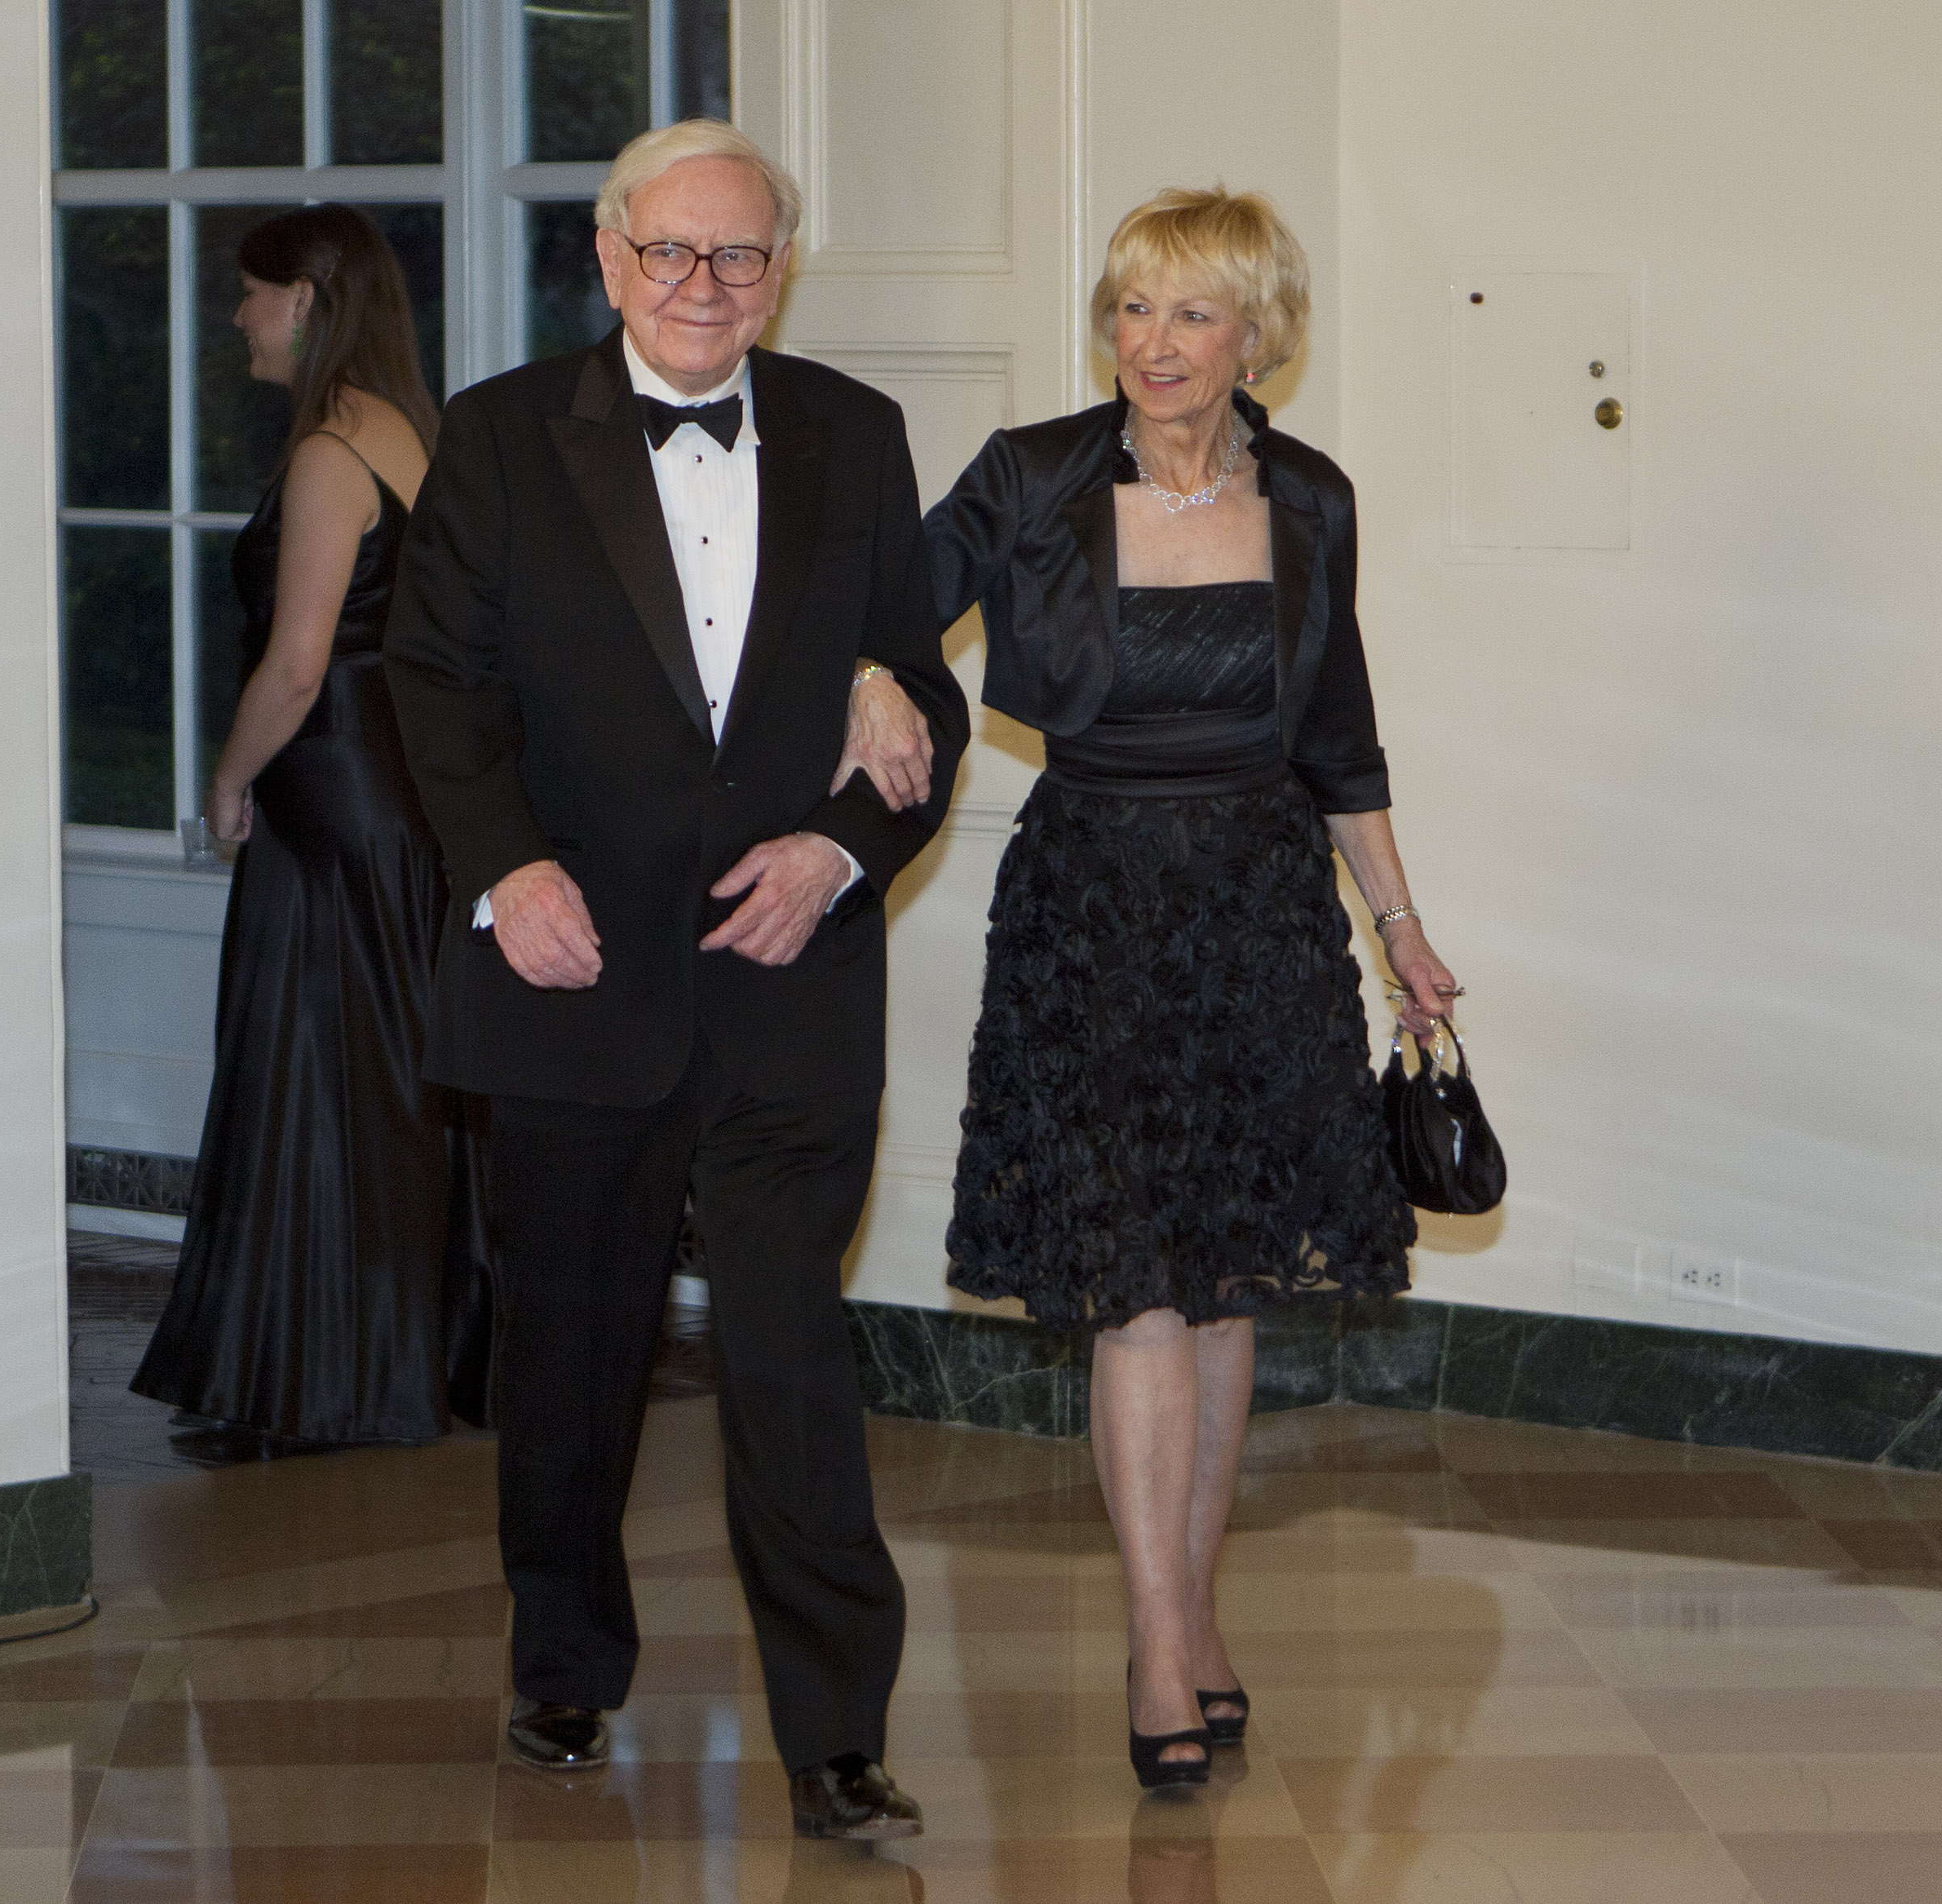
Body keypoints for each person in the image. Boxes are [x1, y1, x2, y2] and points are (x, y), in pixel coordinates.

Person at [382, 120, 967, 1840]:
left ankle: (837, 1736)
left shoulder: (857, 437)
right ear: (608, 256)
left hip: (790, 987)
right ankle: (562, 1662)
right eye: (670, 255)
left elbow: (920, 703)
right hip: (576, 974)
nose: (704, 289)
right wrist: (504, 869)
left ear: (782, 270)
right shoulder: (495, 440)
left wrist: (841, 847)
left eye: (740, 259)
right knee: (570, 1360)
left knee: (791, 1371)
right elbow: (432, 685)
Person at [899, 186, 1461, 1786]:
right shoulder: (1031, 476)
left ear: (1254, 334)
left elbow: (1338, 731)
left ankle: (1193, 1609)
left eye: (1191, 313)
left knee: (1224, 1296)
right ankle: (1156, 1641)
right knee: (1140, 1292)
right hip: (1094, 916)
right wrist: (876, 684)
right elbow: (879, 600)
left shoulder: (1313, 501)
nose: (1153, 344)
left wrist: (1399, 929)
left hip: (1265, 917)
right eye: (1133, 309)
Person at [131, 206, 494, 1448]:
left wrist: (228, 781)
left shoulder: (332, 450)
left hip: (331, 800)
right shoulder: (412, 433)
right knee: (391, 1087)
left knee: (320, 1084)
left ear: (304, 301)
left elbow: (294, 667)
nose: (237, 316)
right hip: (400, 802)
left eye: (250, 293)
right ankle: (404, 1356)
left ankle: (327, 1372)